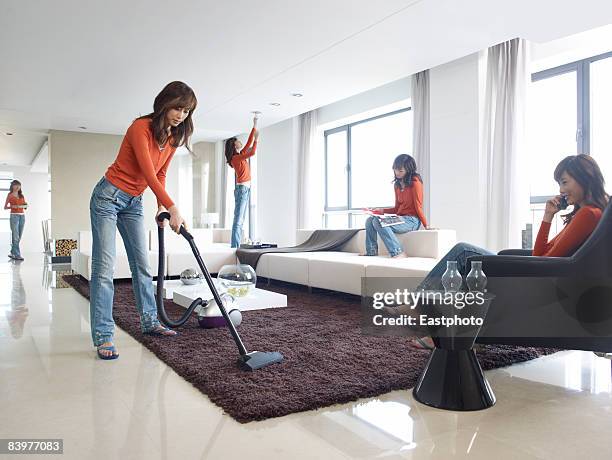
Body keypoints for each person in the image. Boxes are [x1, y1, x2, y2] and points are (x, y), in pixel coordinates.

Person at [410, 154, 609, 349]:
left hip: (541, 281)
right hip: (544, 274)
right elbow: (541, 254)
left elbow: (543, 259)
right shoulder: (588, 213)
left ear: (584, 178)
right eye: (560, 184)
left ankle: (424, 310)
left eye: (565, 182)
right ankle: (445, 322)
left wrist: (548, 220)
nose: (561, 190)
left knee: (464, 252)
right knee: (469, 257)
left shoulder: (588, 214)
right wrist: (548, 215)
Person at [89, 81, 197, 360]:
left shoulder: (173, 137)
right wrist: (174, 207)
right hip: (107, 198)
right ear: (165, 103)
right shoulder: (140, 128)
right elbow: (148, 173)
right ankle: (103, 335)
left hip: (134, 202)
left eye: (186, 111)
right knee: (104, 267)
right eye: (178, 108)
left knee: (142, 264)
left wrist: (161, 208)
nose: (181, 115)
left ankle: (150, 322)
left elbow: (159, 176)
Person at [363, 154, 430, 258]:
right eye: (395, 170)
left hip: (412, 220)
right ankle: (371, 251)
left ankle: (398, 252)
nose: (397, 173)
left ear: (408, 169)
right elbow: (397, 208)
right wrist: (381, 211)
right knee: (369, 220)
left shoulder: (415, 182)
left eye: (400, 171)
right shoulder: (397, 185)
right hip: (400, 218)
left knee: (378, 222)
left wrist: (426, 225)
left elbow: (418, 206)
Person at [225, 117, 259, 248]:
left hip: (245, 189)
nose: (240, 142)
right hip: (242, 190)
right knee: (238, 220)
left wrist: (254, 125)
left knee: (240, 220)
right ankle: (235, 247)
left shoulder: (240, 154)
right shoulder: (235, 158)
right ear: (234, 146)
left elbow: (249, 141)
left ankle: (236, 245)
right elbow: (253, 152)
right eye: (237, 141)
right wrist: (257, 140)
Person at [4, 180, 27, 260]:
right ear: (12, 186)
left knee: (19, 236)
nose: (17, 187)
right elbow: (5, 207)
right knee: (16, 236)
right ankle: (17, 255)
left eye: (19, 185)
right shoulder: (10, 195)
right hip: (14, 217)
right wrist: (12, 207)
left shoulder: (21, 195)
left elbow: (25, 205)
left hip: (22, 216)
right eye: (16, 185)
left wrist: (25, 205)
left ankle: (12, 252)